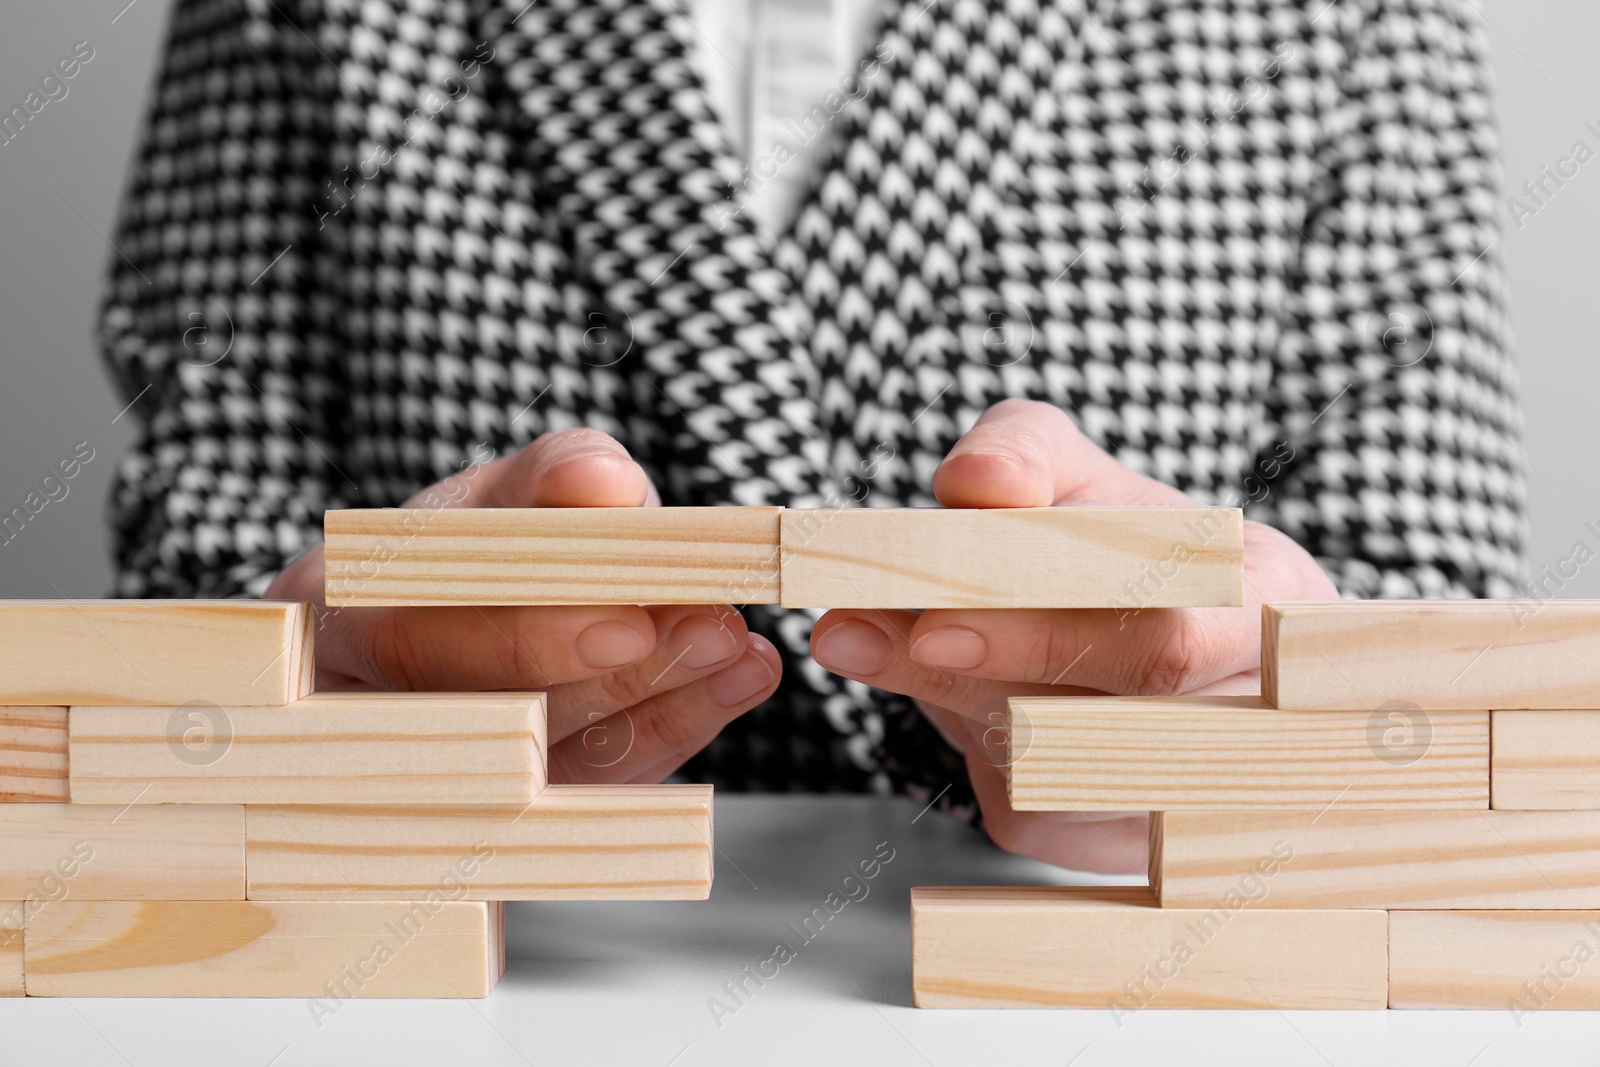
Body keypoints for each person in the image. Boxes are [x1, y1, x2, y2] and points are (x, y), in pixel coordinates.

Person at [98, 0, 1526, 873]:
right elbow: (186, 585)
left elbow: (1459, 657)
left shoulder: (1342, 15)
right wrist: (301, 678)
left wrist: (1279, 726)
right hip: (470, 994)